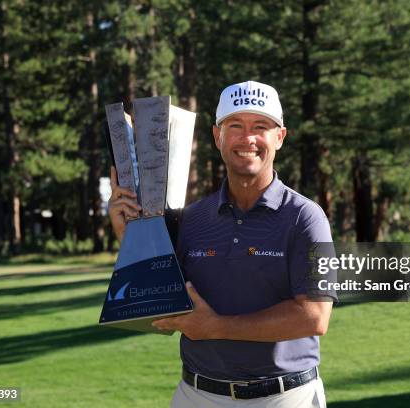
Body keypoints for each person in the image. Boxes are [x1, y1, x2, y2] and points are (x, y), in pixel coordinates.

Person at [108, 80, 335, 407]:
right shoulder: (191, 218)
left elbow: (315, 317)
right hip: (197, 394)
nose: (248, 139)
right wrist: (128, 235)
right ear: (218, 136)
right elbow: (157, 301)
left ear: (280, 137)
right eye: (235, 126)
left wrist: (216, 327)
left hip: (285, 397)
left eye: (261, 126)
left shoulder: (308, 218)